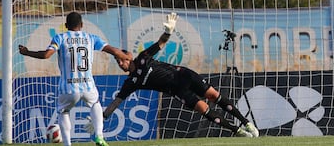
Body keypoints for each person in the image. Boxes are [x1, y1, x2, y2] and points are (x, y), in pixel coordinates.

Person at [102, 12, 259, 138]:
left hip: (184, 75)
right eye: (117, 62)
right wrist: (102, 118)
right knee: (203, 108)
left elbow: (161, 43)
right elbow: (116, 102)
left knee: (213, 95)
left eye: (120, 60)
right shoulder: (131, 82)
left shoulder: (143, 57)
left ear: (128, 56)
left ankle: (246, 123)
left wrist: (168, 31)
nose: (120, 64)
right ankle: (237, 131)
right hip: (177, 91)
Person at [19, 11, 131, 146]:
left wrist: (27, 52)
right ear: (82, 25)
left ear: (66, 25)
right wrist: (128, 58)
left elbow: (46, 55)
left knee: (63, 111)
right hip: (88, 85)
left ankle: (67, 144)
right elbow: (115, 51)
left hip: (68, 87)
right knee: (95, 104)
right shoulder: (91, 38)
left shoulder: (60, 38)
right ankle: (99, 137)